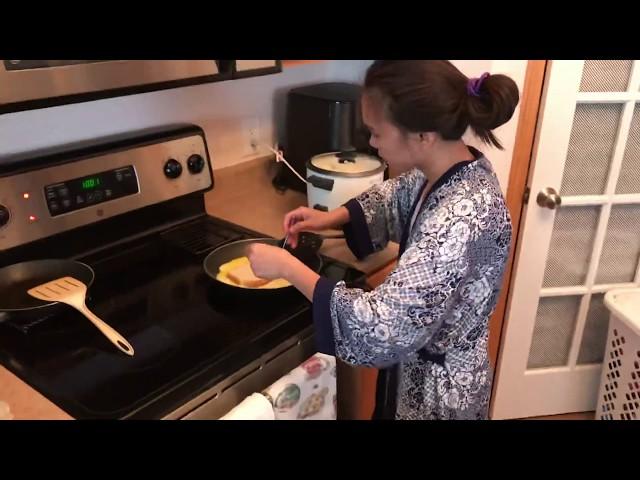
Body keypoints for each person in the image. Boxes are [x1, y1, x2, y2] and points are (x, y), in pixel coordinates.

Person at [246, 60, 519, 420]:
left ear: (423, 135)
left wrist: (287, 267)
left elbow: (382, 328)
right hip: (425, 374)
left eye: (376, 132)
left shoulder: (461, 219)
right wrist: (333, 216)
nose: (372, 144)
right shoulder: (455, 169)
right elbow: (400, 195)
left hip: (437, 399)